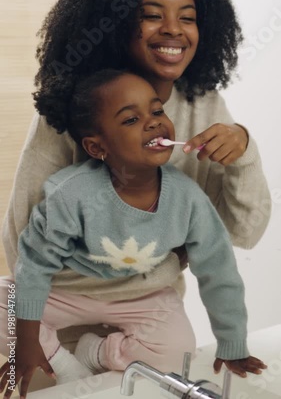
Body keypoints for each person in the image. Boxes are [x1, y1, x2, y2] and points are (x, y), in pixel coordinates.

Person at [0, 0, 270, 367]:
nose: (173, 30)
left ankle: (98, 352)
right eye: (152, 14)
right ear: (116, 24)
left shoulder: (202, 105)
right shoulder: (70, 111)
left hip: (150, 309)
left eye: (187, 17)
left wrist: (244, 151)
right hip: (58, 301)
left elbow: (241, 234)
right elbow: (24, 242)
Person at [0, 71, 267, 398]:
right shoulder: (73, 195)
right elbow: (34, 264)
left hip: (141, 297)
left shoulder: (188, 199)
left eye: (157, 112)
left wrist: (232, 342)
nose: (154, 123)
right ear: (97, 147)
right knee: (7, 306)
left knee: (177, 350)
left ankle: (97, 351)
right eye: (130, 120)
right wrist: (26, 342)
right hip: (67, 292)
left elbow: (219, 269)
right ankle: (67, 365)